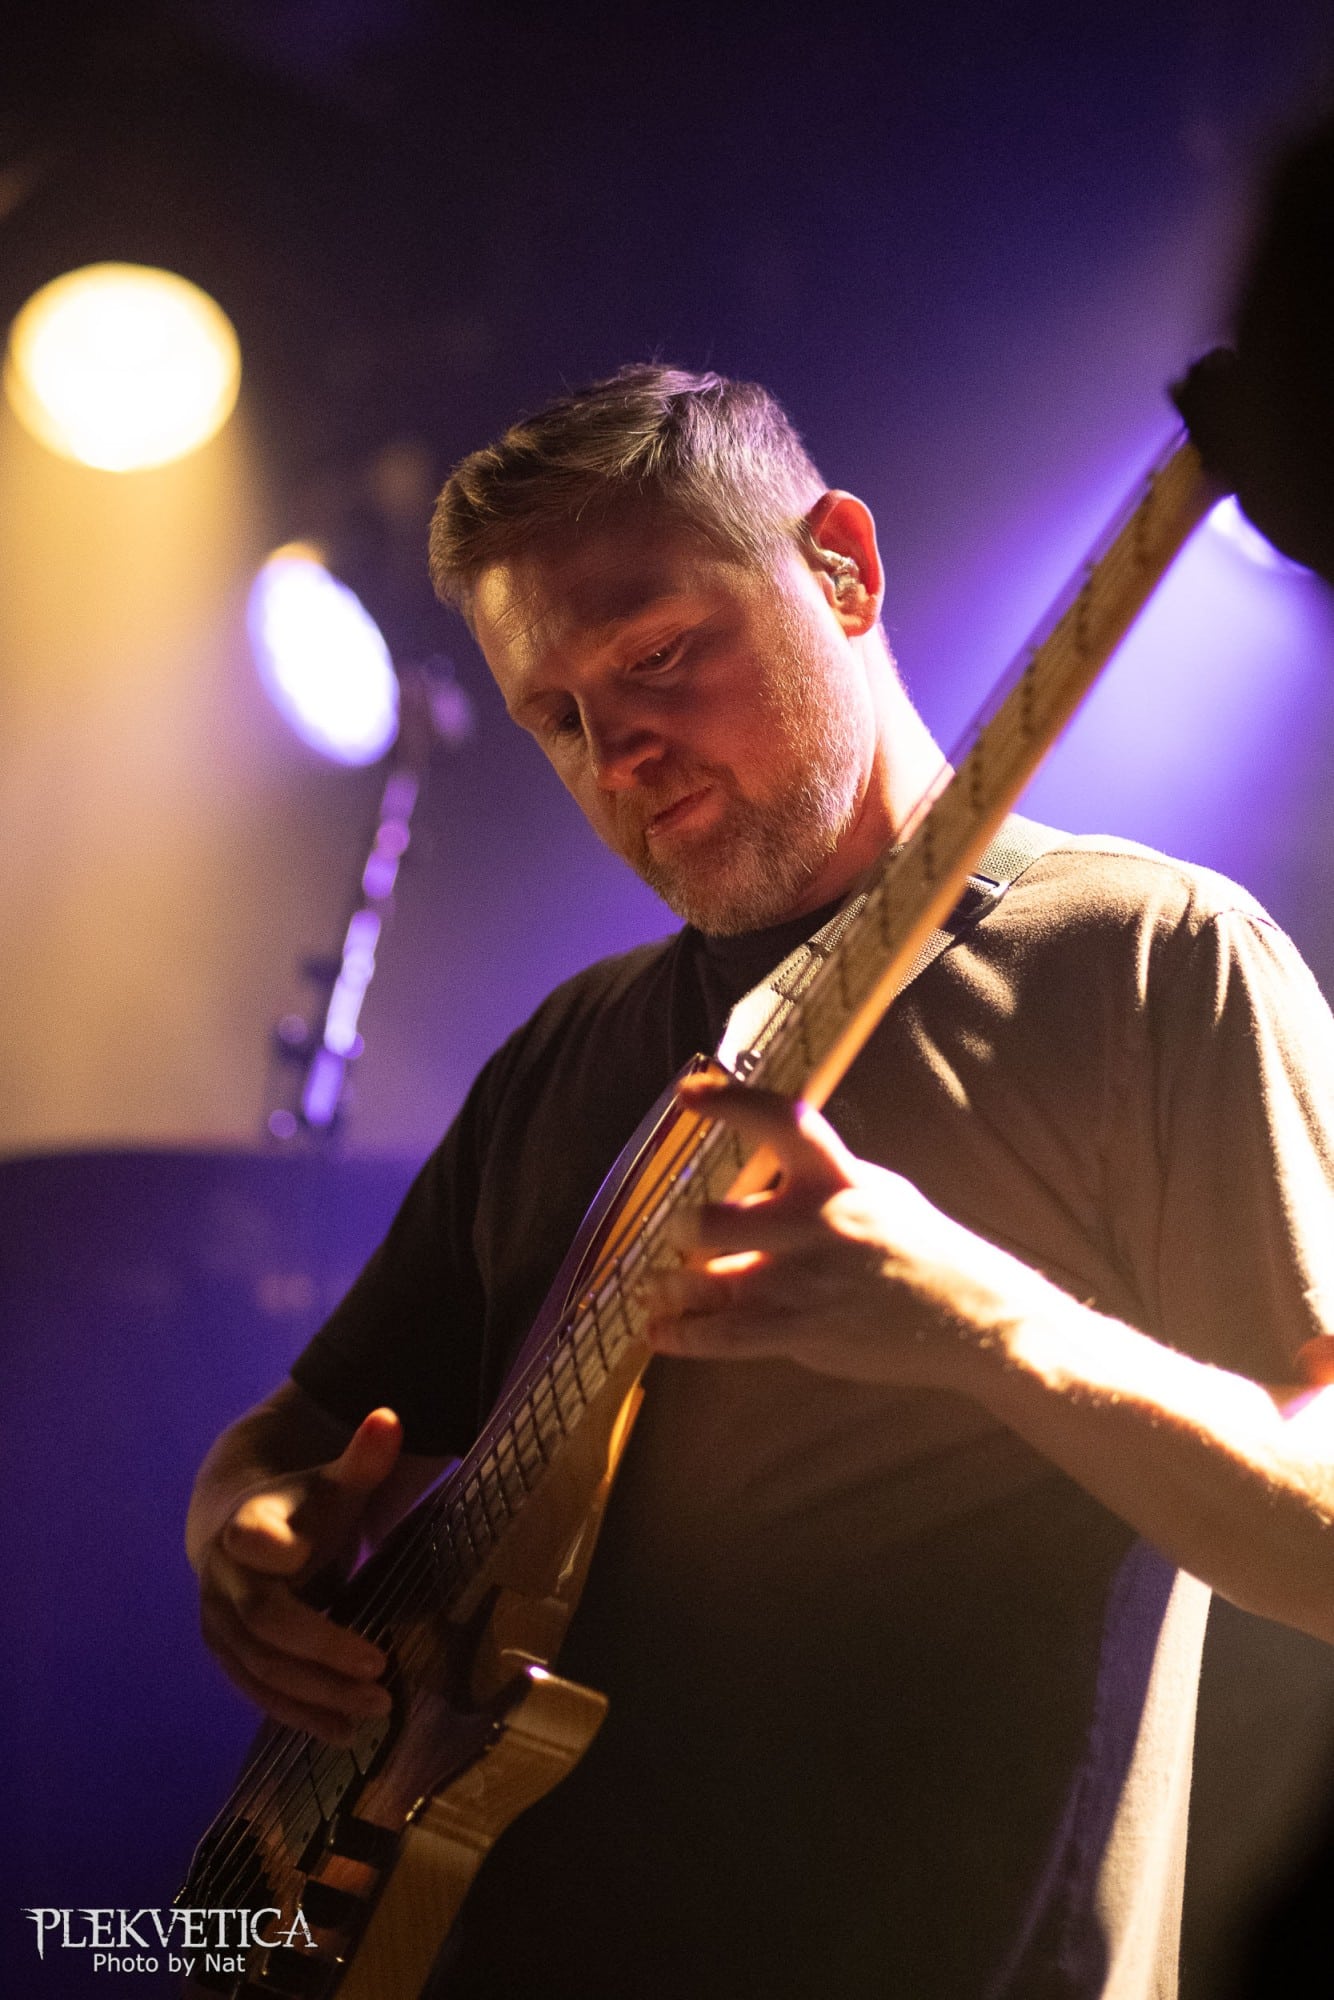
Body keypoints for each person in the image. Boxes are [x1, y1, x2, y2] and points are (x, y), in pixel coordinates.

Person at [187, 366, 1334, 1999]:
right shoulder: (567, 1048)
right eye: (555, 719)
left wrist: (985, 1323)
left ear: (840, 567)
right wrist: (244, 1543)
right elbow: (289, 1446)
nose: (617, 753)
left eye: (656, 656)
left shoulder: (1150, 958)